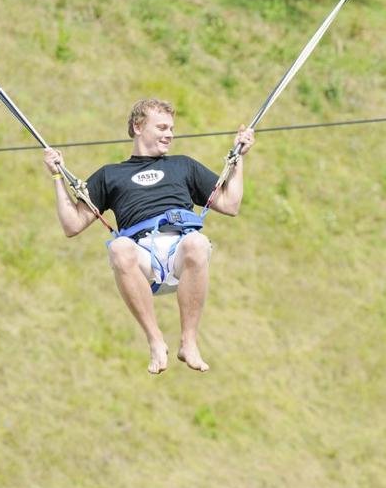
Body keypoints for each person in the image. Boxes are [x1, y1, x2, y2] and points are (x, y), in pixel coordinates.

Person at [44, 98, 255, 374]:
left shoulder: (183, 166)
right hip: (143, 257)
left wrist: (238, 159)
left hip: (181, 250)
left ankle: (188, 342)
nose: (170, 134)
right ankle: (155, 340)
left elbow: (230, 204)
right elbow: (72, 225)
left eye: (172, 129)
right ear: (138, 126)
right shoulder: (110, 175)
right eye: (162, 127)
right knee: (119, 247)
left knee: (197, 242)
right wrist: (57, 177)